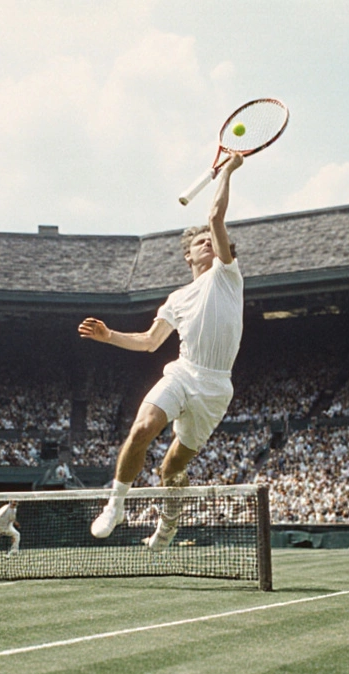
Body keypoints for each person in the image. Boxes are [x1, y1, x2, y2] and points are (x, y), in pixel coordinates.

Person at [79, 151, 245, 551]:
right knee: (141, 429)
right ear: (187, 256)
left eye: (211, 240)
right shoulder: (175, 298)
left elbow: (216, 217)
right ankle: (116, 504)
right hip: (183, 372)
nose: (208, 242)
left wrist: (228, 171)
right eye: (201, 242)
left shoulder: (227, 275)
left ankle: (167, 527)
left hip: (215, 387)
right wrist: (109, 336)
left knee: (171, 469)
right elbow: (150, 341)